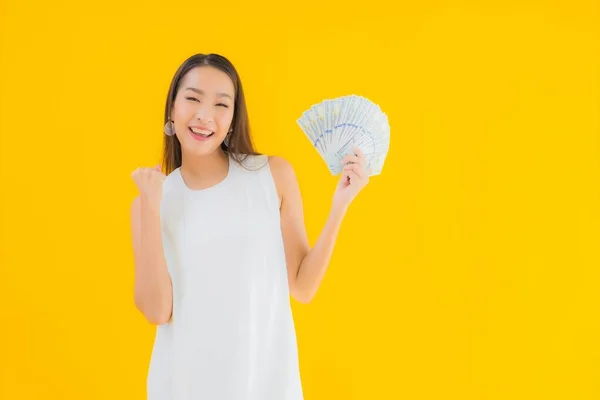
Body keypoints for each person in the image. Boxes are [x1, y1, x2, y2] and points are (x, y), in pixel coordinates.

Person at [130, 53, 371, 400]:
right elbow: (157, 310)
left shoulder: (271, 176)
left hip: (266, 386)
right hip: (183, 387)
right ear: (172, 109)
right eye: (193, 98)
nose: (204, 115)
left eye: (220, 105)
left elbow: (302, 287)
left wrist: (340, 205)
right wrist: (152, 208)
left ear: (231, 120)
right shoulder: (148, 201)